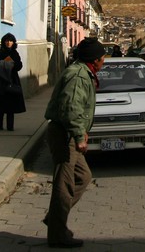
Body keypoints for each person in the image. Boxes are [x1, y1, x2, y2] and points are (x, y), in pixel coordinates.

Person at [43, 37, 104, 248]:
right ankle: (57, 234)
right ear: (95, 59)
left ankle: (55, 219)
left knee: (83, 176)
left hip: (68, 132)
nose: (104, 60)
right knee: (64, 184)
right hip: (65, 134)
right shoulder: (78, 75)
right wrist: (79, 135)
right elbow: (71, 108)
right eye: (102, 57)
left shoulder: (84, 72)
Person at [0, 33, 25, 131]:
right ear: (3, 42)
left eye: (10, 41)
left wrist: (12, 64)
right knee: (1, 105)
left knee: (11, 106)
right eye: (6, 41)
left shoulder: (15, 53)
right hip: (1, 81)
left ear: (13, 42)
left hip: (12, 81)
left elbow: (19, 65)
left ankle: (10, 126)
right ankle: (0, 124)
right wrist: (4, 63)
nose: (8, 43)